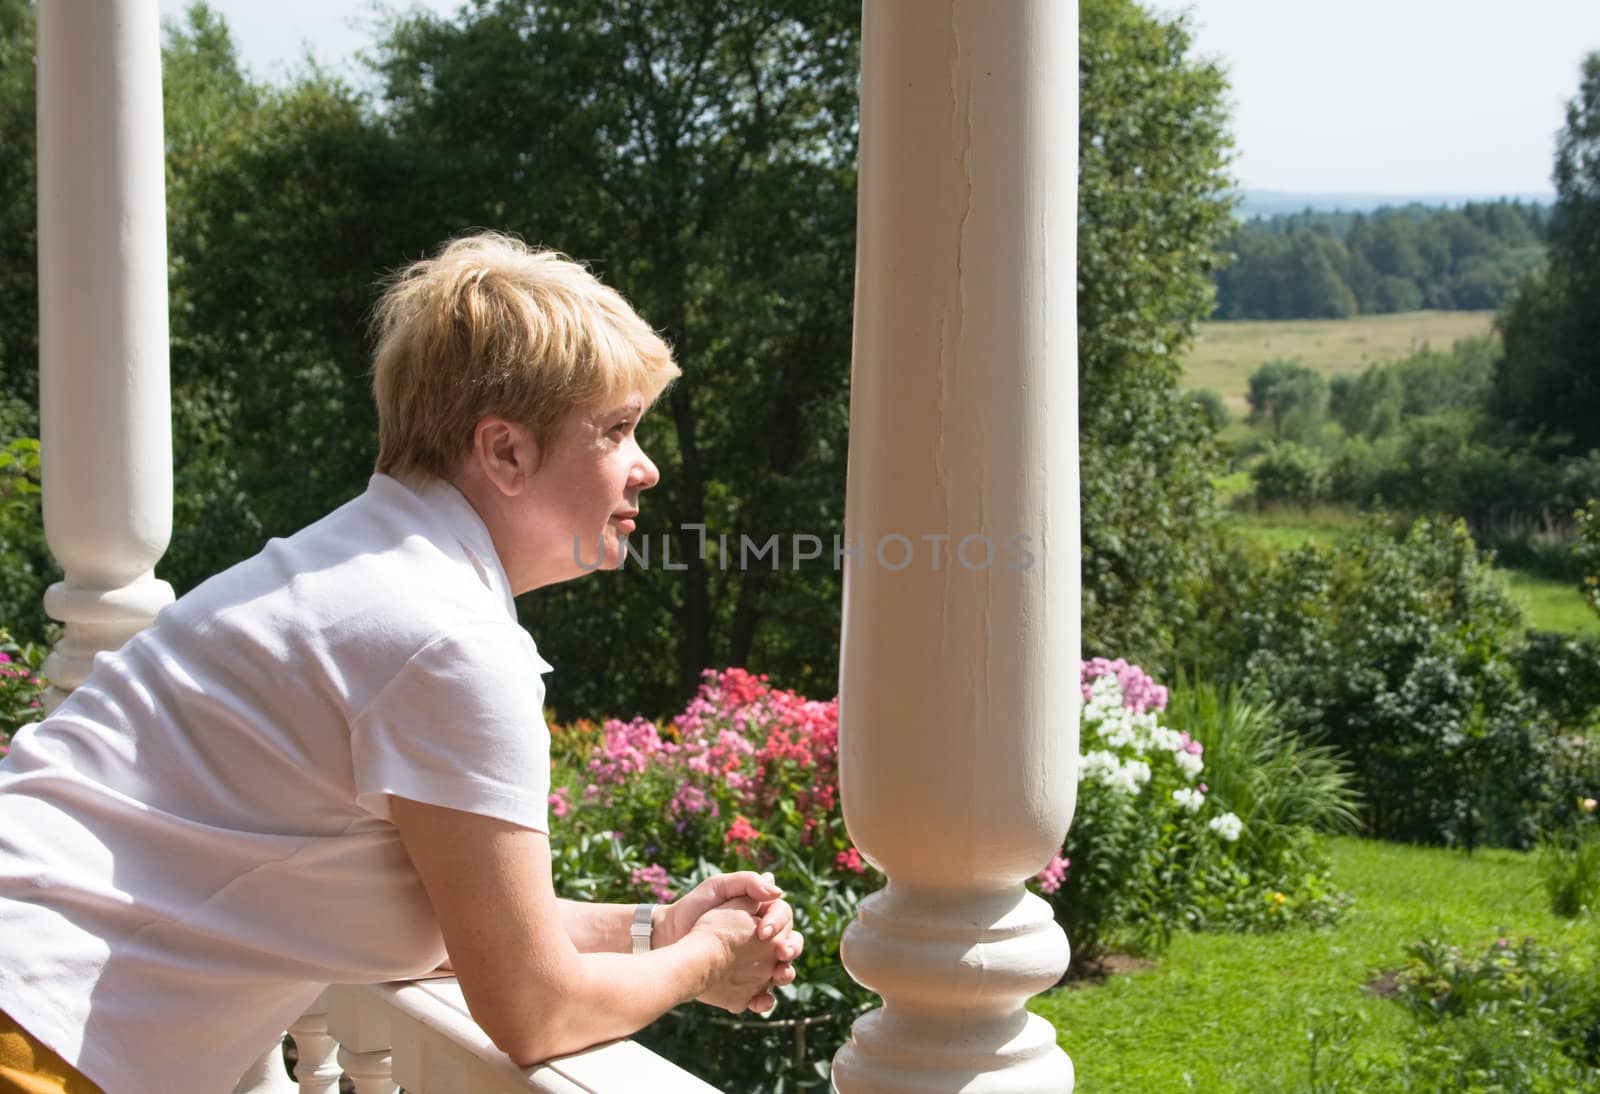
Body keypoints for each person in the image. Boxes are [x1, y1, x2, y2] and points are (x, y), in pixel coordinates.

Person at [0, 232, 803, 1094]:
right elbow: (536, 1009)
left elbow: (467, 919)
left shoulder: (357, 571)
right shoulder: (448, 640)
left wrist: (658, 931)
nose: (645, 468)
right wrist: (712, 954)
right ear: (504, 452)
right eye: (615, 429)